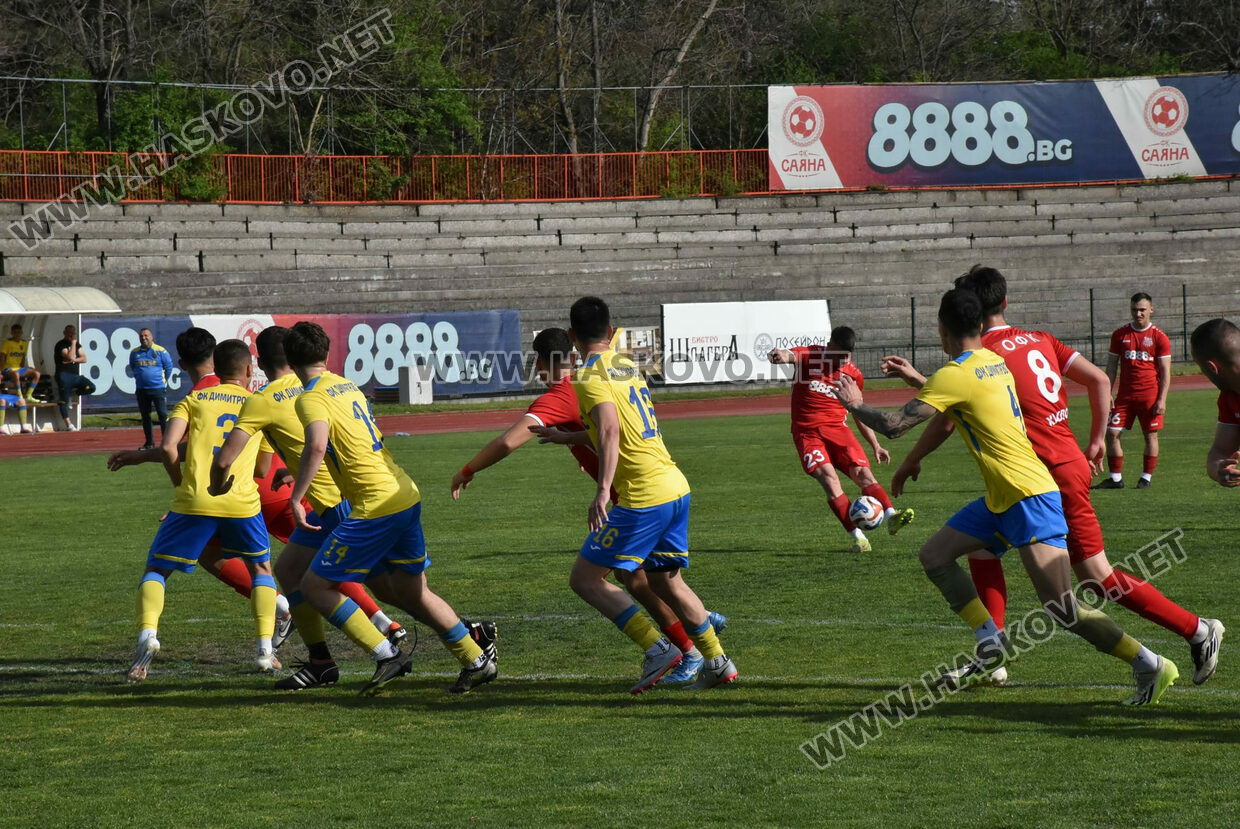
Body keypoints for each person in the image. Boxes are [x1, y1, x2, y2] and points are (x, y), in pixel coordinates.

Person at [835, 286, 1178, 706]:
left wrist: (855, 403)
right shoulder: (992, 362)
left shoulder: (954, 374)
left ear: (942, 329)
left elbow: (893, 425)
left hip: (1030, 496)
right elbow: (966, 399)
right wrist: (920, 383)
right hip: (1003, 496)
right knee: (935, 555)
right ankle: (990, 644)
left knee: (1063, 609)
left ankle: (1149, 663)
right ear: (979, 324)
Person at [885, 266, 1222, 688]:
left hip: (1047, 475)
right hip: (1051, 468)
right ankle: (992, 654)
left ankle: (1195, 631)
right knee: (982, 549)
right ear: (1005, 301)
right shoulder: (1038, 339)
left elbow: (952, 413)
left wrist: (913, 453)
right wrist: (1096, 439)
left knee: (1094, 580)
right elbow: (1098, 379)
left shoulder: (985, 354)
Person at [451, 326, 726, 685]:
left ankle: (685, 643)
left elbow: (508, 442)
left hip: (634, 496)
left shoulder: (562, 393)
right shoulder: (613, 369)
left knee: (604, 578)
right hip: (658, 484)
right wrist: (571, 439)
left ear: (539, 363)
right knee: (638, 577)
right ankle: (696, 633)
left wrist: (468, 469)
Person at [283, 321, 497, 695]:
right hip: (404, 493)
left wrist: (296, 497)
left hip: (375, 503)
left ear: (290, 360)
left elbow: (316, 445)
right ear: (327, 353)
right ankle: (476, 659)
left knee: (314, 586)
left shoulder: (310, 397)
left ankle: (386, 655)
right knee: (413, 593)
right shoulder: (346, 385)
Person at [211, 325, 411, 691]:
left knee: (386, 586)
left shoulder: (264, 399)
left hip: (337, 502)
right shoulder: (320, 385)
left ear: (259, 363)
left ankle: (395, 650)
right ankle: (322, 663)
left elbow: (230, 459)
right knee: (290, 571)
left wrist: (214, 486)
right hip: (345, 494)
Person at [555, 296, 737, 694]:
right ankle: (718, 662)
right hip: (674, 486)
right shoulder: (625, 365)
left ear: (571, 336)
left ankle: (658, 649)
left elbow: (610, 430)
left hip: (643, 496)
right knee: (667, 583)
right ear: (611, 331)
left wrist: (602, 491)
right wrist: (567, 437)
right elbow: (622, 425)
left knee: (585, 579)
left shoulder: (586, 375)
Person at [124, 337, 280, 683]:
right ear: (249, 369)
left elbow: (168, 448)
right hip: (241, 502)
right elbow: (262, 470)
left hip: (194, 500)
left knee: (157, 570)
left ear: (216, 369)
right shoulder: (259, 404)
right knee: (261, 569)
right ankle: (265, 651)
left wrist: (181, 483)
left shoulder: (193, 400)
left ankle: (148, 635)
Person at [768, 325, 913, 553]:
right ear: (829, 346)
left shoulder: (853, 375)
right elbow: (790, 355)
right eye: (838, 356)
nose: (842, 362)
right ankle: (858, 538)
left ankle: (891, 516)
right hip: (807, 433)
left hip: (839, 430)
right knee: (830, 480)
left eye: (846, 357)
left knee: (863, 474)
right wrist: (780, 356)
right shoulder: (810, 355)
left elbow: (858, 411)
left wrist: (875, 444)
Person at [1093, 292, 1171, 489]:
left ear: (1151, 310)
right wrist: (1107, 393)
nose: (1138, 314)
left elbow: (1165, 372)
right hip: (1125, 396)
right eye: (1135, 310)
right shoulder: (1120, 335)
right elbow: (1111, 367)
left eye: (1142, 310)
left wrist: (1162, 399)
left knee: (1150, 436)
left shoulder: (1159, 337)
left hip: (1149, 396)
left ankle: (1146, 478)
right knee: (1111, 433)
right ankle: (1115, 479)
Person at [130, 328, 174, 450]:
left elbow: (169, 367)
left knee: (163, 415)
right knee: (145, 416)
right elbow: (133, 367)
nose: (143, 338)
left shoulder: (160, 351)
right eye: (141, 336)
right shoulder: (134, 353)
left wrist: (163, 381)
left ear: (151, 336)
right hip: (142, 389)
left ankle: (166, 443)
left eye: (146, 335)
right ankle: (149, 443)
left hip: (158, 389)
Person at [53, 325, 96, 431]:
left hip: (75, 376)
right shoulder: (61, 344)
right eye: (69, 333)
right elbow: (70, 356)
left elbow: (84, 358)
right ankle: (69, 424)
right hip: (64, 375)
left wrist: (74, 360)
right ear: (65, 333)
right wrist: (72, 344)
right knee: (63, 401)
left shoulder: (77, 345)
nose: (71, 335)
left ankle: (73, 393)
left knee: (91, 387)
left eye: (73, 333)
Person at [1, 323, 40, 402]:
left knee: (37, 373)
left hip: (18, 369)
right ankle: (20, 396)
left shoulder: (24, 343)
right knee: (16, 374)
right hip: (7, 369)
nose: (17, 334)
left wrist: (23, 370)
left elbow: (23, 357)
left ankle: (29, 395)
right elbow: (2, 357)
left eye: (19, 332)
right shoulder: (7, 343)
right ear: (12, 333)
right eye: (15, 332)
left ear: (21, 333)